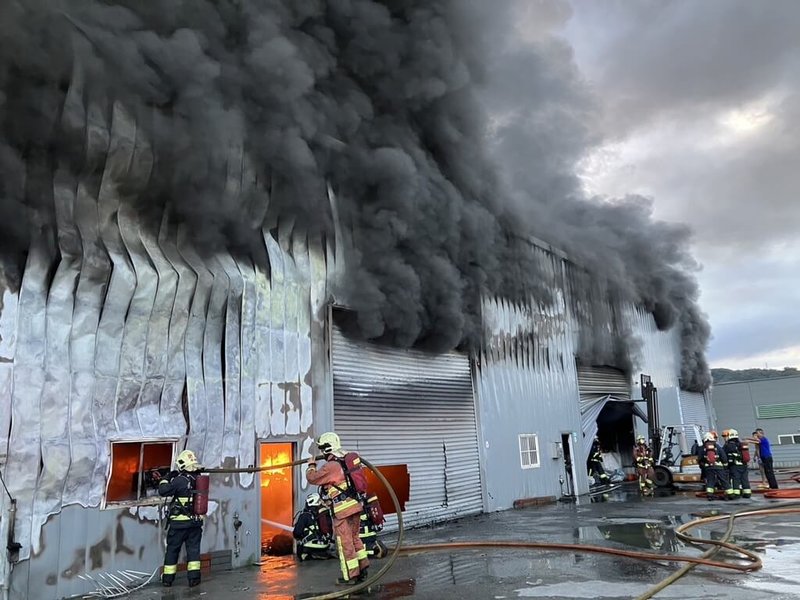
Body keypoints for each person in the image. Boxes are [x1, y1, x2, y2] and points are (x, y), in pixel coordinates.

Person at [306, 432, 369, 586]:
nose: (321, 452)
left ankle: (350, 576)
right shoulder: (346, 460)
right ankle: (363, 568)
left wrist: (311, 466)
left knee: (344, 542)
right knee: (355, 538)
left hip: (342, 510)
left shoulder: (331, 466)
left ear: (327, 448)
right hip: (355, 506)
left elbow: (312, 478)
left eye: (322, 449)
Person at [157, 449, 204, 587]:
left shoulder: (179, 480)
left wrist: (167, 477)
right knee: (193, 551)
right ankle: (194, 579)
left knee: (172, 550)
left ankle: (167, 579)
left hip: (179, 525)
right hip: (195, 523)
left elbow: (163, 491)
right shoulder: (199, 479)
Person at [293, 493, 335, 561]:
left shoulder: (304, 515)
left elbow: (297, 533)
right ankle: (320, 554)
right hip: (324, 545)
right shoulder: (323, 513)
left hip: (309, 546)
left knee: (300, 548)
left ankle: (307, 555)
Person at [696, 432, 728, 501]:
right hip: (719, 467)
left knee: (710, 481)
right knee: (723, 480)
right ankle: (730, 493)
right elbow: (723, 456)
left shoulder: (702, 447)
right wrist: (725, 466)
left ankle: (710, 495)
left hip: (708, 468)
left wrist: (703, 465)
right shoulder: (717, 446)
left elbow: (699, 459)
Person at [721, 429, 751, 500]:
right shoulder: (741, 444)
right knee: (744, 479)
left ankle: (736, 494)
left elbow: (723, 455)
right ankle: (747, 493)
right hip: (744, 465)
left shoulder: (728, 445)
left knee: (735, 479)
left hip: (734, 466)